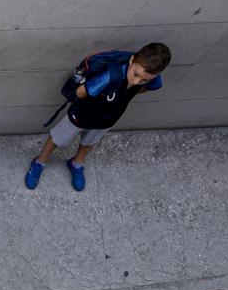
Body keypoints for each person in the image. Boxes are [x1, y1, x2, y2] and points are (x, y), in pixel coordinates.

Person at [25, 43, 171, 191]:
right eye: (136, 75)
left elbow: (148, 87)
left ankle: (76, 163)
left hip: (108, 118)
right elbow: (81, 92)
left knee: (90, 141)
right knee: (58, 137)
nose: (137, 81)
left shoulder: (150, 77)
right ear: (132, 60)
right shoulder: (110, 75)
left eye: (143, 80)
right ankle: (40, 162)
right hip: (83, 114)